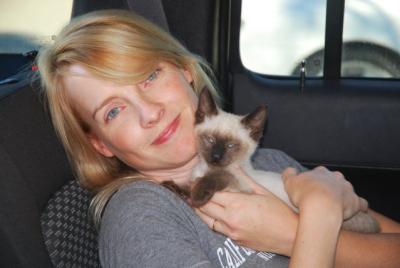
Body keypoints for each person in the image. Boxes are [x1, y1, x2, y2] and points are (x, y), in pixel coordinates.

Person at [37, 9, 400, 268]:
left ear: (184, 70)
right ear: (101, 144)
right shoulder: (142, 218)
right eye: (113, 111)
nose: (149, 112)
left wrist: (290, 234)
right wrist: (320, 211)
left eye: (149, 76)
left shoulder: (269, 161)